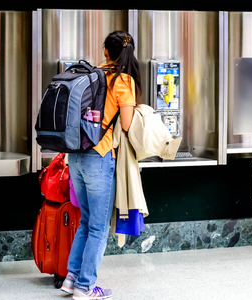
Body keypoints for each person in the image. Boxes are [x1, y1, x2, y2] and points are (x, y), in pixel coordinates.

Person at [60, 31, 142, 300]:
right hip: (99, 156)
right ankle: (85, 287)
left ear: (106, 51)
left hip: (75, 156)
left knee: (85, 221)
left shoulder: (90, 76)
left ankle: (71, 279)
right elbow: (128, 125)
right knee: (97, 226)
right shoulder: (123, 81)